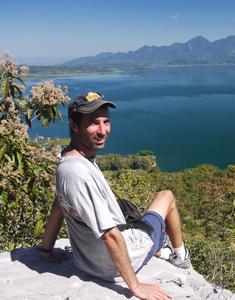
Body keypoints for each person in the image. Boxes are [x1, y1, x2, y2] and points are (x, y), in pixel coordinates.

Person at [38, 92, 190, 300]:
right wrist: (135, 286)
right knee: (166, 196)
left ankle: (159, 251)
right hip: (113, 265)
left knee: (129, 214)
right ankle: (180, 257)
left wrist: (46, 251)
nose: (103, 131)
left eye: (106, 122)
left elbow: (59, 206)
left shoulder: (68, 160)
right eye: (94, 123)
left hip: (88, 261)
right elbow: (110, 235)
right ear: (74, 126)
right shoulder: (77, 172)